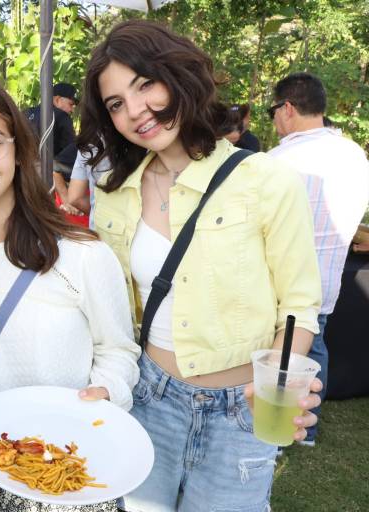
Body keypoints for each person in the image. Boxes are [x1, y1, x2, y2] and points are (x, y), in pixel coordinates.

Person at [78, 20, 323, 512]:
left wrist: (278, 382)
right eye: (116, 104)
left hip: (243, 410)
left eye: (145, 84)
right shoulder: (114, 196)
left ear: (178, 76)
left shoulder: (266, 180)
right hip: (147, 400)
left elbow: (298, 305)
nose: (136, 112)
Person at [0, 76, 140, 511]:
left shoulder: (82, 255)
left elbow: (119, 352)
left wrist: (106, 391)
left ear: (17, 147)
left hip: (73, 472)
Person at [268, 71, 369, 446]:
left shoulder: (279, 159)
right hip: (327, 281)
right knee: (317, 348)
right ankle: (306, 428)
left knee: (279, 360)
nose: (274, 119)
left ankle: (284, 429)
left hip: (284, 284)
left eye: (273, 110)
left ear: (288, 107)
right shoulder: (354, 154)